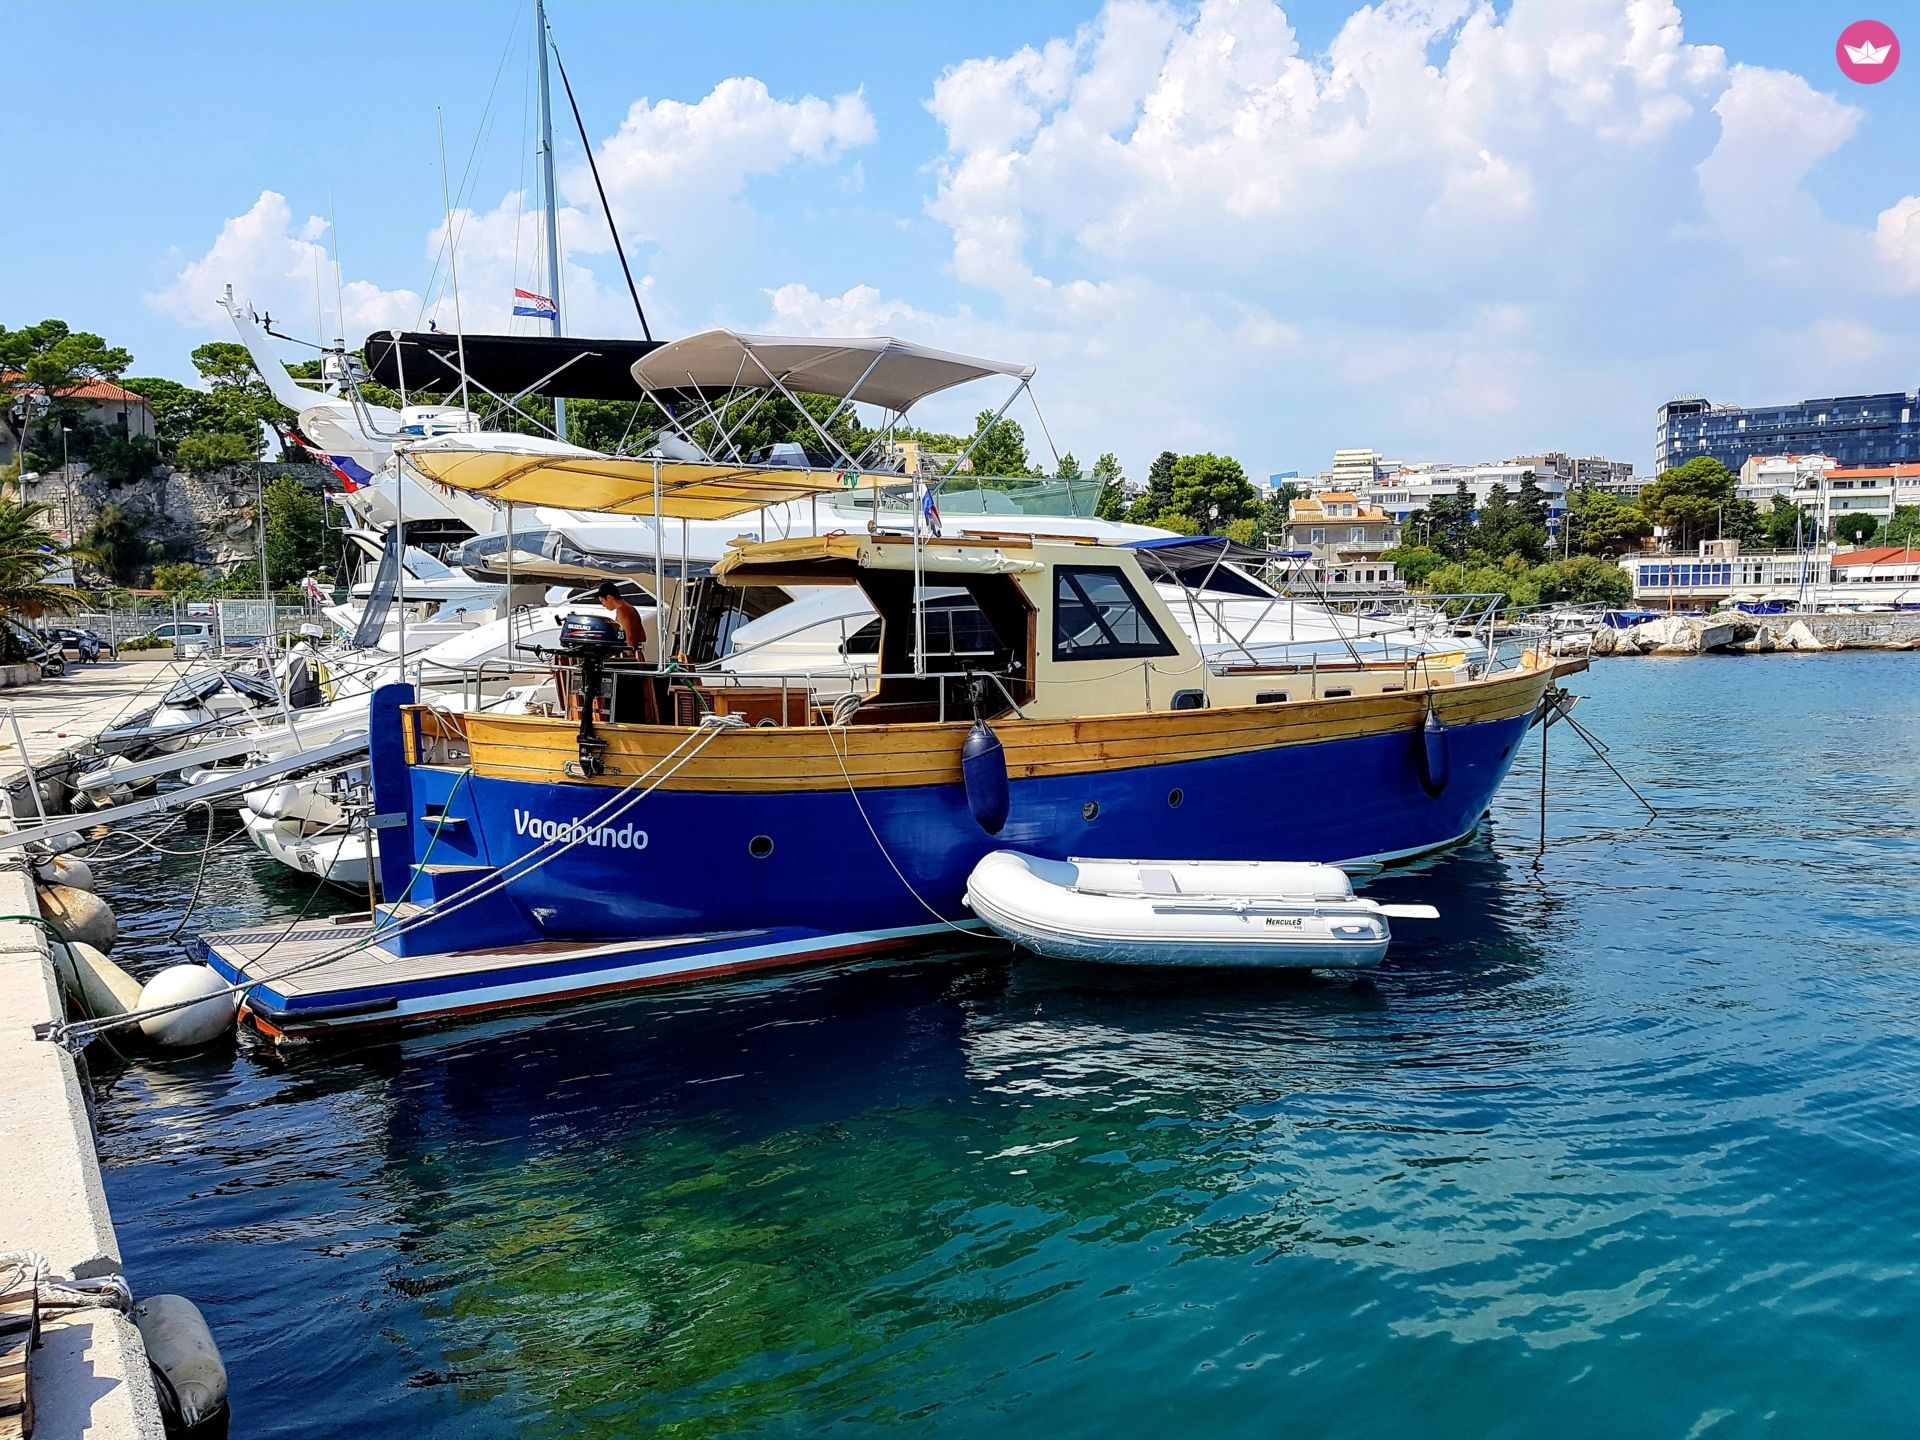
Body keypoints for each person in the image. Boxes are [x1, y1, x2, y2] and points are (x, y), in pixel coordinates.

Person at [595, 579, 646, 654]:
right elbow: (643, 637)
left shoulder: (622, 612)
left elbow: (630, 642)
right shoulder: (631, 608)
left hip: (629, 657)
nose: (603, 605)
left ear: (609, 598)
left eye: (602, 601)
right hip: (637, 655)